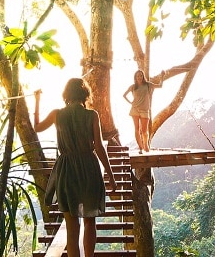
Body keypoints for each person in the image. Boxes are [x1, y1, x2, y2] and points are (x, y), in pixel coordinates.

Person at [33, 78, 117, 257]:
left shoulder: (57, 114)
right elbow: (100, 147)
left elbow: (37, 127)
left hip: (66, 170)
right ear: (85, 95)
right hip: (89, 168)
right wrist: (110, 175)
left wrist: (37, 101)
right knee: (89, 222)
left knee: (72, 229)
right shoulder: (92, 115)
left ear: (66, 95)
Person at [123, 69, 165, 153]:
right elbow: (124, 95)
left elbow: (160, 86)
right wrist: (131, 102)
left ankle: (146, 145)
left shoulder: (148, 85)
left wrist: (162, 76)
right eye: (138, 76)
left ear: (143, 76)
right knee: (137, 129)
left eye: (141, 75)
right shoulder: (133, 86)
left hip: (145, 110)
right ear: (135, 77)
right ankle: (140, 148)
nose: (139, 77)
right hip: (135, 109)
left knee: (144, 131)